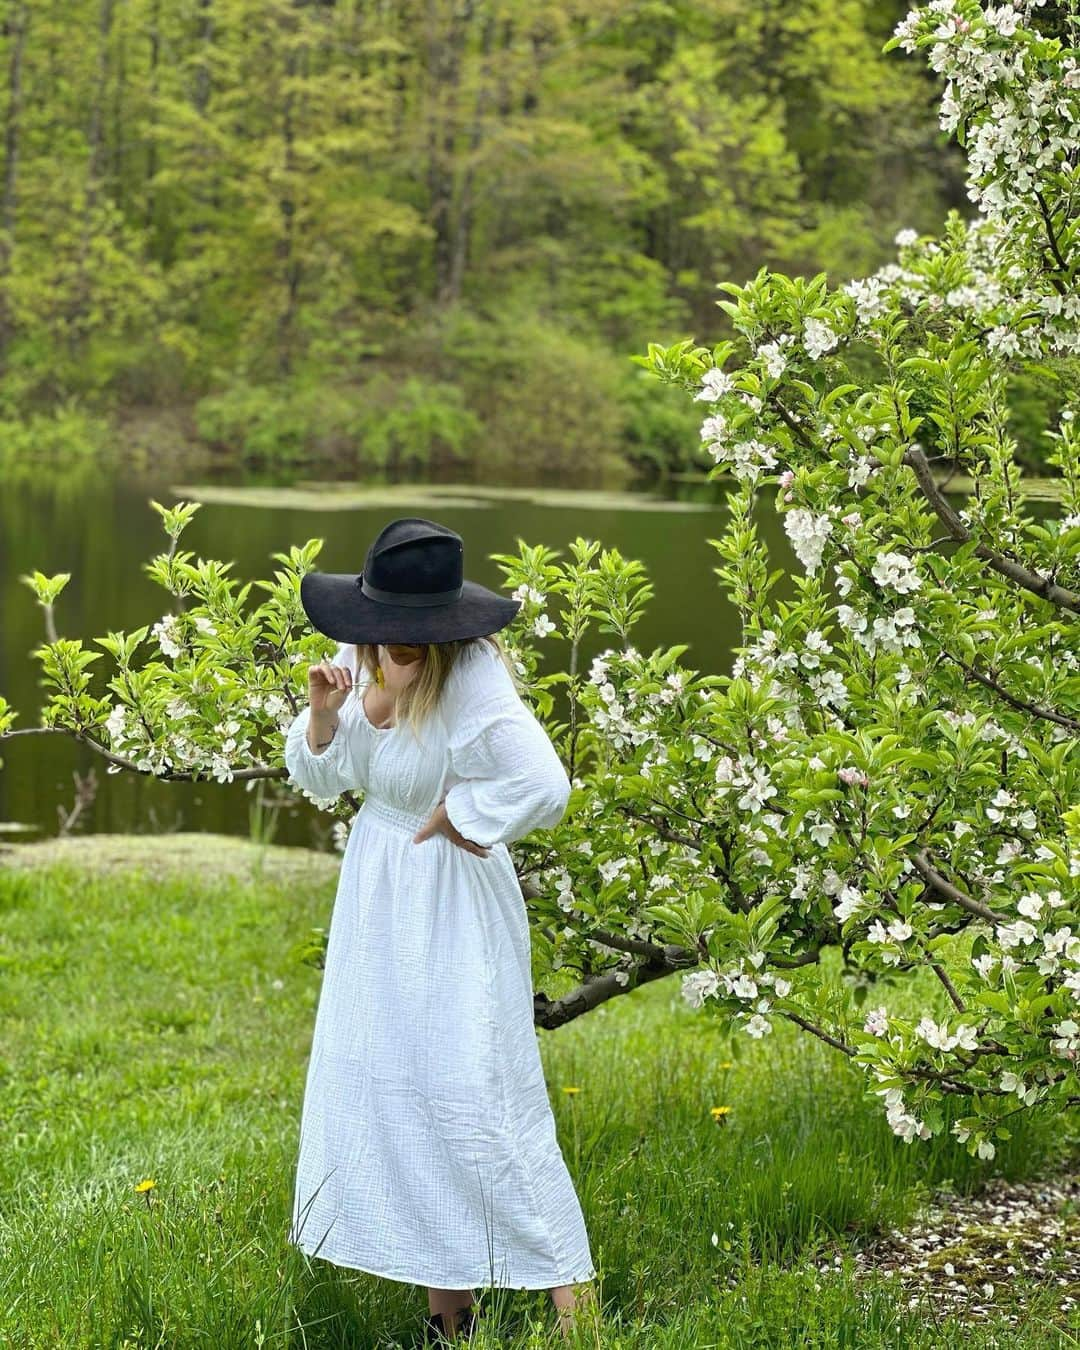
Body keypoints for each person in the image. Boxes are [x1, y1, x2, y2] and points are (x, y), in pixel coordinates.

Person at [282, 517, 598, 1345]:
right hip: (379, 895)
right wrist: (322, 718)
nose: (393, 645)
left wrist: (464, 813)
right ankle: (449, 1325)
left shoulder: (473, 679)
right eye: (386, 630)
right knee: (403, 1090)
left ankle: (580, 1321)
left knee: (476, 1095)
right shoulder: (360, 655)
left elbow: (544, 783)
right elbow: (325, 779)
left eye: (410, 635)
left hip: (453, 901)